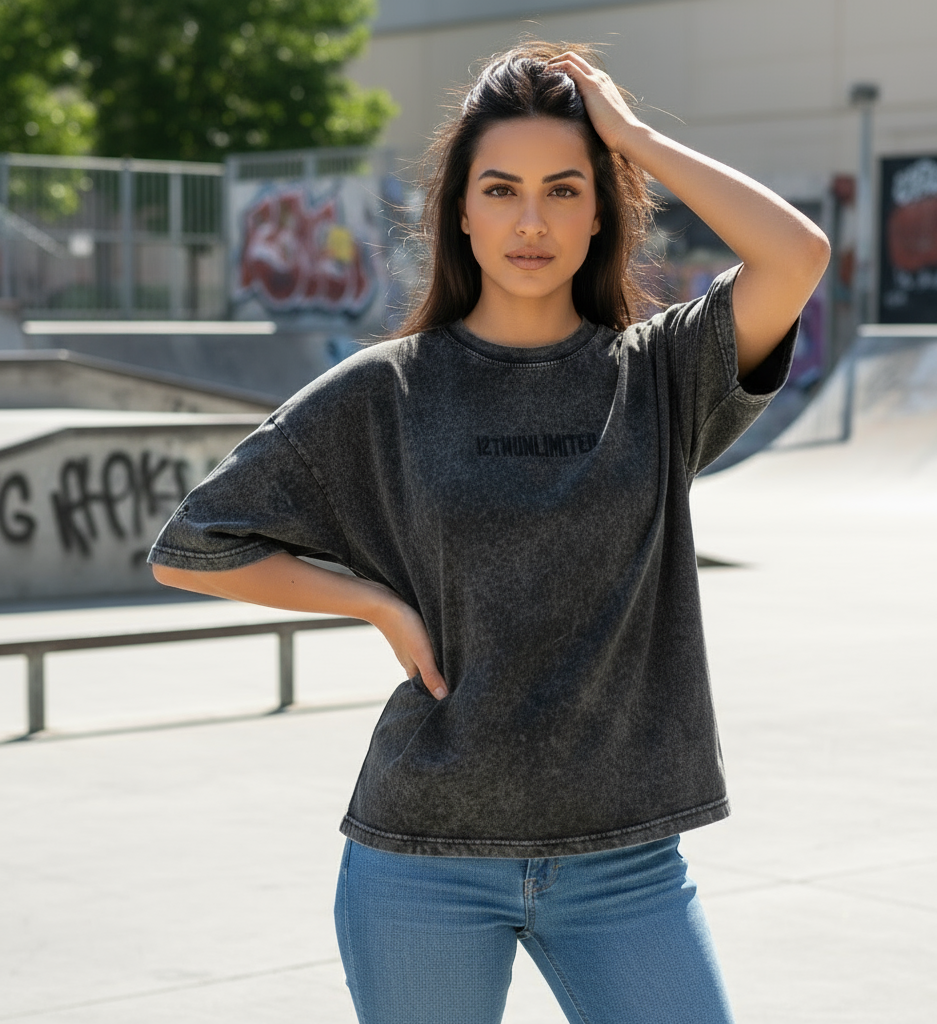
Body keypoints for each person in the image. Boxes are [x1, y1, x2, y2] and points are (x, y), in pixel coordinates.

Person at [150, 42, 829, 1024]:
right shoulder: (386, 389)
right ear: (459, 211)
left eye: (562, 190)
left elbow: (795, 254)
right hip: (423, 861)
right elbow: (194, 545)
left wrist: (631, 137)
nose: (529, 220)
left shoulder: (662, 376)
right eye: (500, 189)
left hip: (624, 864)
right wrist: (372, 601)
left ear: (599, 211)